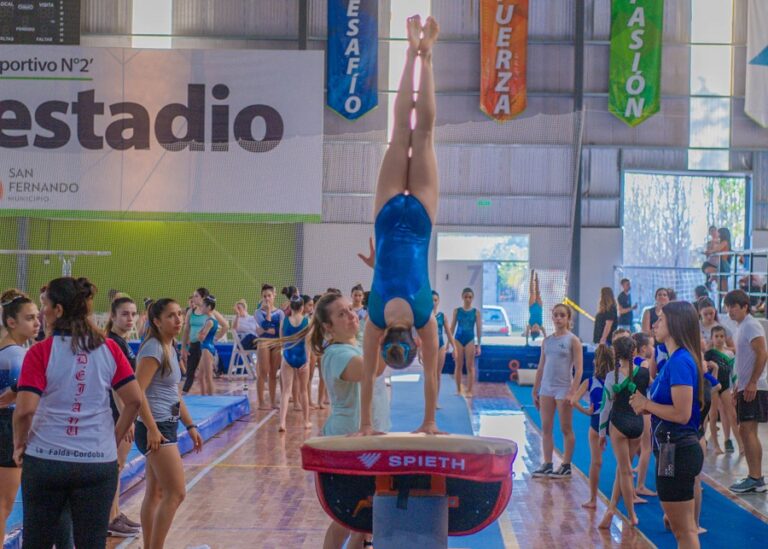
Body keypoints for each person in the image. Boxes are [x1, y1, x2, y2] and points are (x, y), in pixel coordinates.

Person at [357, 15, 442, 436]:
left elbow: (428, 376)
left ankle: (423, 54)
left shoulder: (422, 320)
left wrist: (429, 421)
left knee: (419, 134)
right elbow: (372, 374)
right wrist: (366, 424)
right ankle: (415, 53)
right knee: (405, 134)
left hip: (417, 217)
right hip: (392, 217)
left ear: (413, 346)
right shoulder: (377, 319)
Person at [13, 277, 143, 548]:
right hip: (96, 462)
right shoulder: (109, 349)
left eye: (44, 305)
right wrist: (113, 439)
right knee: (91, 542)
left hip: (46, 460)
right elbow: (134, 401)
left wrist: (20, 443)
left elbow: (25, 410)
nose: (42, 312)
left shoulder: (41, 352)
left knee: (36, 541)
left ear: (58, 310)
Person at [629, 301, 704, 549]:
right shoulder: (672, 360)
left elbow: (682, 414)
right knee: (677, 526)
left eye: (660, 319)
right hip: (670, 450)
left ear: (675, 323)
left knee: (685, 532)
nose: (655, 324)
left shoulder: (680, 361)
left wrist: (646, 405)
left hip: (679, 449)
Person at [135, 298, 203, 549]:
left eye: (179, 315)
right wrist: (152, 429)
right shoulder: (153, 348)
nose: (178, 320)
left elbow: (175, 394)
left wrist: (190, 425)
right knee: (176, 493)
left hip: (166, 424)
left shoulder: (168, 347)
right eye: (171, 316)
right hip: (158, 428)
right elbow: (137, 392)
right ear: (156, 321)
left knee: (155, 493)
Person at [0, 290, 41, 542]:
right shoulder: (17, 355)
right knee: (4, 504)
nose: (37, 323)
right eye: (30, 318)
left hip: (6, 425)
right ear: (11, 322)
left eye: (37, 317)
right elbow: (23, 399)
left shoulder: (10, 351)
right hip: (7, 428)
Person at [598, 336, 650, 528]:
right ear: (634, 352)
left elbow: (605, 407)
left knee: (625, 471)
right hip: (637, 424)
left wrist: (602, 434)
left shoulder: (613, 376)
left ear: (616, 354)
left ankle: (631, 515)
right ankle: (612, 507)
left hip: (618, 424)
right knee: (624, 469)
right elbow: (654, 391)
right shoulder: (644, 373)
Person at [104, 296, 142, 537]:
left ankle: (115, 513)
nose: (130, 319)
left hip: (121, 413)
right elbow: (115, 385)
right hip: (116, 414)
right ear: (113, 316)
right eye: (125, 314)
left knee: (117, 466)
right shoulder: (113, 343)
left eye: (133, 314)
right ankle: (109, 519)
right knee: (113, 466)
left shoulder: (123, 342)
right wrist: (124, 419)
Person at [724, 289, 768, 493]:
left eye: (734, 306)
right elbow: (743, 360)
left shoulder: (751, 325)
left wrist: (752, 383)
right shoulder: (741, 327)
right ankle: (754, 476)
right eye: (728, 306)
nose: (730, 310)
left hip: (755, 387)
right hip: (745, 386)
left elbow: (762, 353)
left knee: (748, 431)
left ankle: (756, 478)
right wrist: (737, 385)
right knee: (745, 430)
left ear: (745, 307)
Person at [531, 304, 583, 479]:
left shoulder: (573, 340)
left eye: (562, 315)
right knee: (546, 428)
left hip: (563, 389)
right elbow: (540, 367)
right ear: (552, 318)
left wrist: (572, 392)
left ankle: (566, 465)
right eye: (556, 315)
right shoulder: (547, 341)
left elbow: (579, 369)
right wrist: (535, 389)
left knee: (566, 428)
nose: (559, 318)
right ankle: (547, 463)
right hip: (546, 388)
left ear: (568, 319)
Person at [570, 344, 611, 509]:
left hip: (596, 423)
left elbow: (573, 401)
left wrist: (587, 411)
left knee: (596, 462)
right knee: (624, 465)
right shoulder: (616, 379)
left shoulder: (589, 382)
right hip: (613, 423)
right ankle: (624, 496)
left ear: (596, 362)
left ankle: (593, 499)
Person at [181, 288, 228, 395]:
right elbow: (186, 330)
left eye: (196, 296)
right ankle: (199, 396)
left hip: (205, 346)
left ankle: (210, 399)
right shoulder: (191, 311)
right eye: (193, 296)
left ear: (203, 298)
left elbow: (225, 325)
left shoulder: (210, 312)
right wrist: (184, 347)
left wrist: (215, 338)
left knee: (207, 376)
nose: (193, 298)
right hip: (194, 345)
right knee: (196, 375)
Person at [704, 325, 741, 454]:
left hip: (725, 386)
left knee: (732, 414)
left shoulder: (729, 353)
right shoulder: (708, 354)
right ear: (712, 338)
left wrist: (736, 384)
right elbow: (704, 372)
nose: (719, 339)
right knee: (713, 415)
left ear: (725, 338)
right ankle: (715, 445)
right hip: (713, 386)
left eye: (722, 336)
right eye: (716, 336)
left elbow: (733, 372)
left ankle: (740, 445)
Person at [278, 296, 311, 432]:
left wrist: (284, 356)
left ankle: (282, 423)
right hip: (302, 357)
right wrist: (308, 361)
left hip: (288, 356)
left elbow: (281, 340)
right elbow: (308, 343)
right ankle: (306, 421)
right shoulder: (307, 322)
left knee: (286, 392)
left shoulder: (284, 321)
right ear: (302, 308)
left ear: (290, 307)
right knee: (303, 391)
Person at [631, 331, 657, 499]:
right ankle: (640, 485)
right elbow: (650, 384)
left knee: (636, 446)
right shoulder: (645, 363)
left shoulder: (630, 361)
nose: (653, 348)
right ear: (643, 348)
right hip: (642, 404)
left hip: (629, 404)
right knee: (647, 447)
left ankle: (633, 477)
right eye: (651, 346)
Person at [255, 284, 285, 409]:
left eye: (269, 296)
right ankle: (261, 401)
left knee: (273, 373)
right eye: (264, 296)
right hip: (264, 342)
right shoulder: (258, 312)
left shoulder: (280, 313)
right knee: (263, 371)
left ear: (274, 296)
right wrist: (267, 312)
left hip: (276, 342)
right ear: (261, 297)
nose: (267, 298)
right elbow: (266, 326)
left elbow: (280, 330)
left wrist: (265, 329)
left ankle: (273, 401)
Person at [450, 288, 482, 397]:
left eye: (470, 297)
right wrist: (449, 344)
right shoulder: (457, 311)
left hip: (470, 339)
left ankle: (469, 390)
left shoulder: (476, 312)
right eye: (466, 297)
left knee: (470, 366)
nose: (468, 299)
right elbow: (452, 327)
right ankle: (458, 389)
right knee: (458, 365)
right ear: (462, 297)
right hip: (458, 339)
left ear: (472, 298)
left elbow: (478, 329)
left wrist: (479, 345)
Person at [431, 290, 454, 401]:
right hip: (429, 347)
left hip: (440, 346)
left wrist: (455, 348)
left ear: (438, 301)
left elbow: (449, 333)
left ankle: (435, 400)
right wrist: (419, 350)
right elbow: (420, 335)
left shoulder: (442, 316)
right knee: (431, 375)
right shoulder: (425, 316)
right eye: (431, 300)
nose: (433, 302)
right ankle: (430, 400)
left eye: (435, 300)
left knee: (438, 374)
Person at [196, 295, 220, 395]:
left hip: (207, 349)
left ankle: (211, 399)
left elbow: (202, 337)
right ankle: (203, 397)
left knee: (208, 377)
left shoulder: (210, 321)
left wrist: (199, 334)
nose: (201, 308)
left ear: (209, 307)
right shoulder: (210, 320)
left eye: (203, 306)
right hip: (207, 348)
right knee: (200, 377)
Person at [525, 270, 546, 341]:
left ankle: (531, 275)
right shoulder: (541, 326)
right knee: (538, 292)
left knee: (532, 292)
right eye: (536, 328)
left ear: (531, 329)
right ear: (539, 329)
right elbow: (545, 333)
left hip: (532, 307)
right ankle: (536, 278)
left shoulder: (529, 325)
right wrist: (546, 340)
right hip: (539, 307)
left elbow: (527, 332)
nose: (535, 326)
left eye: (534, 328)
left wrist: (527, 342)